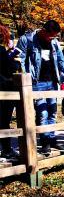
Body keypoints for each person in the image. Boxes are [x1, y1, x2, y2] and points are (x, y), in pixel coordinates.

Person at [17, 20, 64, 155]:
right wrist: (25, 78)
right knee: (42, 113)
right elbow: (20, 60)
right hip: (36, 83)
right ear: (43, 30)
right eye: (50, 36)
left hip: (52, 82)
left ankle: (52, 139)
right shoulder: (27, 39)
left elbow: (61, 61)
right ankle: (44, 142)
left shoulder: (54, 43)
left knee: (52, 111)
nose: (52, 39)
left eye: (54, 37)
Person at [0, 24, 20, 158]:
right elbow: (9, 68)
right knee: (3, 120)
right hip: (4, 89)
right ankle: (7, 149)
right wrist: (15, 60)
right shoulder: (1, 51)